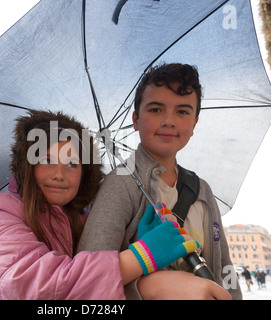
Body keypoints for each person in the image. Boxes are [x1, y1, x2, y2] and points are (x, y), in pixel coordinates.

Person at [0, 110, 202, 299]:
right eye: (47, 160)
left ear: (85, 172)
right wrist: (140, 256)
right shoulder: (1, 211)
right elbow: (30, 286)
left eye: (72, 164)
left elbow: (96, 289)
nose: (59, 174)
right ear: (28, 166)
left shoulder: (83, 219)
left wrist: (136, 244)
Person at [77, 63, 240, 299]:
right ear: (136, 119)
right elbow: (88, 280)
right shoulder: (120, 184)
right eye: (155, 109)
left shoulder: (202, 189)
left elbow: (224, 265)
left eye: (182, 112)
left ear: (194, 123)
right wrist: (150, 286)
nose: (168, 121)